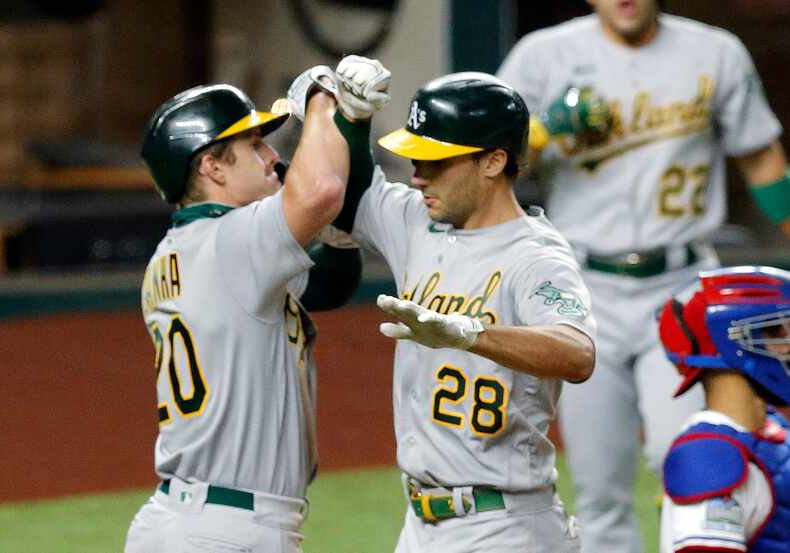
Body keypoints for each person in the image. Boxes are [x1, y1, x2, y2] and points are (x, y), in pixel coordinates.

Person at [496, 1, 790, 551]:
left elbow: (761, 158)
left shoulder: (714, 51)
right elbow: (486, 166)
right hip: (580, 294)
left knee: (693, 456)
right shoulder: (542, 58)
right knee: (600, 491)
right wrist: (539, 132)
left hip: (682, 291)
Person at [124, 60, 390, 553]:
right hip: (227, 529)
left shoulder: (186, 250)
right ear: (212, 166)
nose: (272, 156)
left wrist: (350, 136)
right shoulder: (232, 243)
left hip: (191, 521)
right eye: (254, 146)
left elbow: (328, 285)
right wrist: (319, 99)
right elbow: (321, 190)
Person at [332, 60, 597, 552]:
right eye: (414, 161)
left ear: (493, 162)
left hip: (506, 526)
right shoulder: (416, 222)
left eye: (435, 162)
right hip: (419, 528)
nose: (417, 177)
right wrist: (351, 116)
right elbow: (348, 194)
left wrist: (468, 334)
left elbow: (577, 352)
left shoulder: (534, 256)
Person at [657, 265, 790, 552]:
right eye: (775, 332)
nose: (787, 346)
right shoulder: (708, 457)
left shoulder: (773, 432)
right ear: (736, 346)